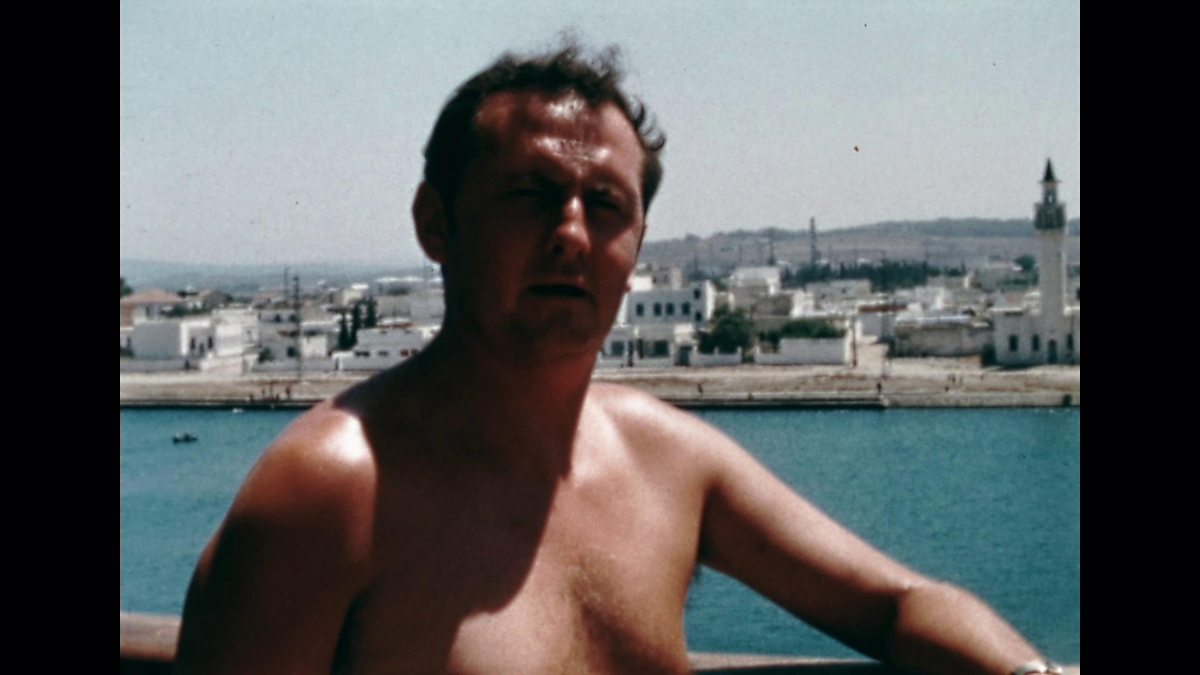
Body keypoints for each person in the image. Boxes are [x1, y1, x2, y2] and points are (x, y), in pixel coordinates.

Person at [174, 44, 1063, 675]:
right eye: (530, 194)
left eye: (605, 204)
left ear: (636, 243)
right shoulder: (327, 493)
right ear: (435, 222)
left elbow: (899, 605)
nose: (571, 233)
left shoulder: (667, 457)